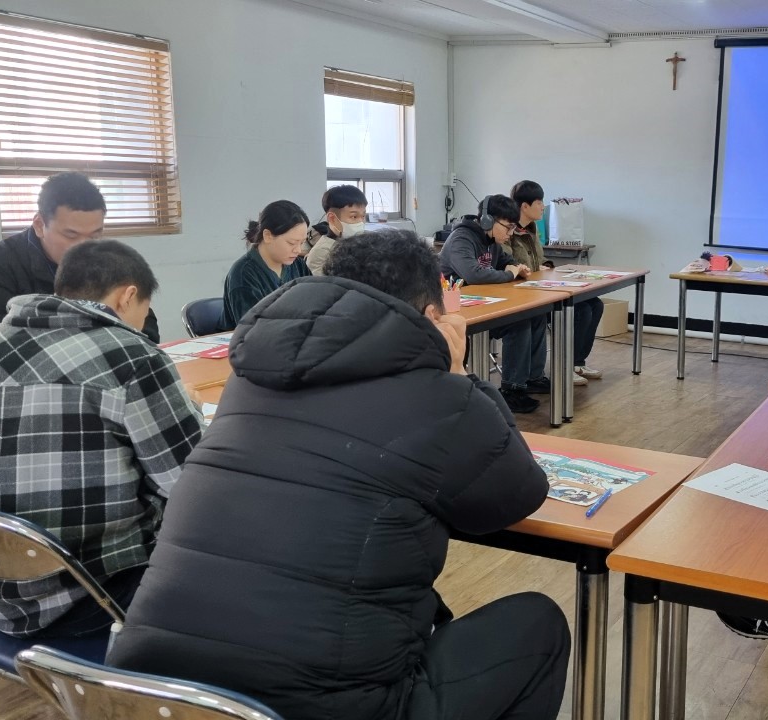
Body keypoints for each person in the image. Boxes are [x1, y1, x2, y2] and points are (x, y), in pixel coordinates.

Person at [108, 229, 569, 720]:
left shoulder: (249, 377)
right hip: (321, 707)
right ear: (432, 317)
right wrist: (461, 376)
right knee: (538, 623)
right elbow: (517, 495)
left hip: (150, 694)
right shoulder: (441, 396)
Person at [0, 240, 202, 639]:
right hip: (97, 593)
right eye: (144, 310)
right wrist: (191, 410)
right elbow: (190, 484)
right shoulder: (134, 357)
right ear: (128, 296)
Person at [0, 172, 161, 342]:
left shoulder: (102, 258)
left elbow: (145, 322)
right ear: (39, 225)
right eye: (71, 235)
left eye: (95, 235)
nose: (84, 247)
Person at [439, 195, 547, 414]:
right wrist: (509, 275)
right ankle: (512, 390)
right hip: (455, 311)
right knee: (519, 324)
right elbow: (474, 274)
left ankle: (532, 378)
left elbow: (505, 261)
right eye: (508, 227)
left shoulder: (491, 242)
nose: (510, 234)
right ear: (488, 220)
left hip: (483, 304)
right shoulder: (461, 239)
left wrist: (518, 267)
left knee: (535, 315)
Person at [512, 180, 603, 387]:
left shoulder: (531, 229)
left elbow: (540, 259)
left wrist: (546, 266)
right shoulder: (509, 232)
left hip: (540, 287)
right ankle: (565, 366)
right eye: (539, 202)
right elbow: (510, 264)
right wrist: (533, 270)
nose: (543, 207)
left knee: (595, 304)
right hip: (524, 293)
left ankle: (577, 362)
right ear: (524, 206)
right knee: (581, 311)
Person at [221, 200, 312, 329]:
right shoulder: (243, 274)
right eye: (292, 243)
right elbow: (254, 329)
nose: (298, 250)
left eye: (302, 243)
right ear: (268, 235)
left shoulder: (298, 265)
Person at [305, 184, 368, 275]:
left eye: (363, 216)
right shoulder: (321, 253)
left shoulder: (364, 242)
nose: (361, 222)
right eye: (354, 216)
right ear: (332, 218)